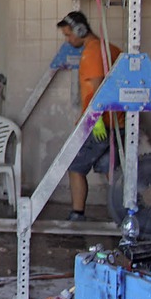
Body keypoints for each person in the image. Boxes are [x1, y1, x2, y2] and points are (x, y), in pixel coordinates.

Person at [57, 11, 125, 221]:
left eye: (69, 35)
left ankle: (77, 214)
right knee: (111, 170)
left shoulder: (93, 51)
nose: (68, 40)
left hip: (100, 122)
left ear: (80, 30)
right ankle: (124, 214)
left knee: (75, 167)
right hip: (118, 122)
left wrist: (93, 120)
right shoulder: (110, 48)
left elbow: (97, 88)